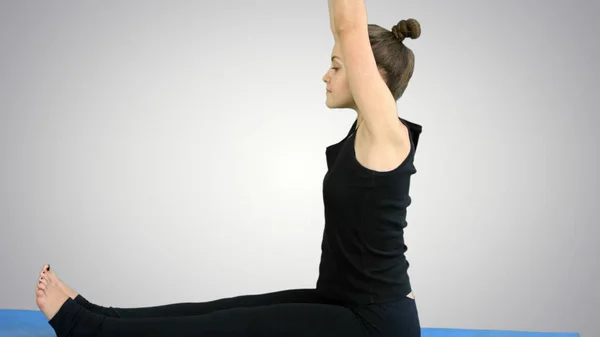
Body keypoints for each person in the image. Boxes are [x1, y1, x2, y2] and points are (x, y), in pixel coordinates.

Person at [34, 1, 423, 336]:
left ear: (372, 78)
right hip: (341, 301)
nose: (326, 75)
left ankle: (83, 329)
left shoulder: (385, 133)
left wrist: (349, 38)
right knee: (221, 310)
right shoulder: (364, 134)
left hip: (373, 324)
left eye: (337, 66)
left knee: (233, 328)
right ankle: (95, 316)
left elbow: (348, 24)